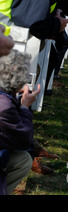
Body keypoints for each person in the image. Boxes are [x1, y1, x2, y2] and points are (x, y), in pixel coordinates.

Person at [0, 49, 41, 195]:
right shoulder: (4, 105)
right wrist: (24, 107)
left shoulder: (5, 97)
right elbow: (24, 140)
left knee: (22, 159)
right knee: (23, 160)